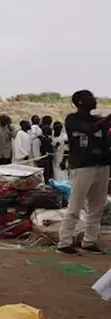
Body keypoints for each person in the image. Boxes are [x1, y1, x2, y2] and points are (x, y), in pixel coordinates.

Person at [57, 90, 110, 254]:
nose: (94, 99)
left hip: (101, 166)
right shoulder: (73, 120)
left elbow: (106, 142)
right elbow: (89, 129)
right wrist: (107, 121)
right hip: (82, 166)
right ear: (80, 102)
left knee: (97, 207)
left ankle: (89, 241)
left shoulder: (98, 120)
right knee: (75, 205)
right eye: (89, 97)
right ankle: (64, 242)